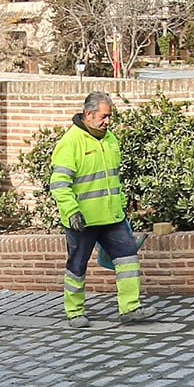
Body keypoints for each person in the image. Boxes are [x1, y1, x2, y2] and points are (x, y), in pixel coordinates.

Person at [49, 92, 150, 324]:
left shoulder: (110, 139)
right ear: (89, 114)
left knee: (128, 260)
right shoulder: (71, 142)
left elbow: (113, 178)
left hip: (112, 217)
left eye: (110, 117)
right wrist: (72, 211)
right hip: (82, 220)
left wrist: (122, 207)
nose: (108, 121)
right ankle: (75, 312)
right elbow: (59, 183)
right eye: (104, 117)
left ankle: (130, 308)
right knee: (77, 266)